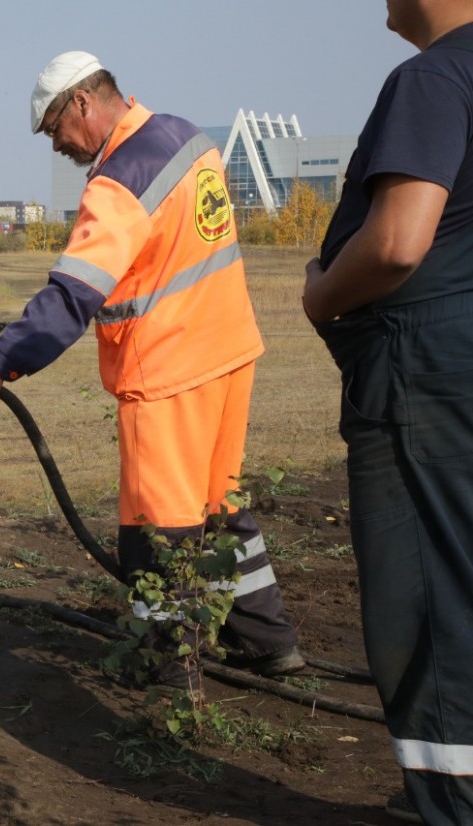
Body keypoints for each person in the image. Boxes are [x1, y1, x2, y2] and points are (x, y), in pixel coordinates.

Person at [0, 51, 302, 682]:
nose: (56, 143)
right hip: (229, 352)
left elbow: (72, 296)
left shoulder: (118, 181)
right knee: (217, 504)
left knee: (156, 524)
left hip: (168, 371)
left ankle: (167, 670)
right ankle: (269, 639)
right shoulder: (185, 137)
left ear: (82, 103)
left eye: (55, 127)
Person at [303, 2, 473, 822]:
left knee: (425, 603)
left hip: (423, 378)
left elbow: (400, 240)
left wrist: (320, 298)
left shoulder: (432, 77)